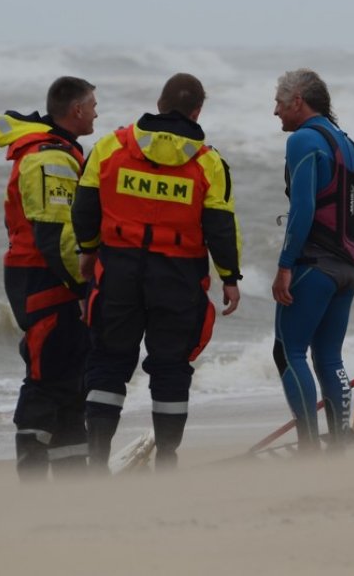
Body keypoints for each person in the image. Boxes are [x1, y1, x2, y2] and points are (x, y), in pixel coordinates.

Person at [72, 72, 242, 472]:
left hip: (118, 270)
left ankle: (96, 458)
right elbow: (220, 225)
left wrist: (87, 251)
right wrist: (230, 277)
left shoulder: (112, 146)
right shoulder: (207, 161)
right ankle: (166, 458)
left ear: (160, 103)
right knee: (170, 366)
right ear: (197, 111)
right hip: (178, 277)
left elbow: (84, 206)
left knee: (109, 360)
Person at [0, 76, 98, 481]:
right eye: (93, 106)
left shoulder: (59, 153)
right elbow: (57, 237)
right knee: (45, 374)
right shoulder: (49, 157)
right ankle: (31, 479)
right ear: (77, 110)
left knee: (71, 380)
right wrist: (84, 289)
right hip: (44, 278)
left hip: (45, 275)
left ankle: (72, 480)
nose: (97, 113)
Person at [271, 69, 354, 454]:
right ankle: (339, 445)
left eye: (279, 102)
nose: (275, 111)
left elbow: (303, 208)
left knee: (289, 351)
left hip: (314, 266)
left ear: (298, 100)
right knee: (329, 355)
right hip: (349, 269)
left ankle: (310, 448)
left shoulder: (304, 140)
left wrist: (285, 265)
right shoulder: (347, 143)